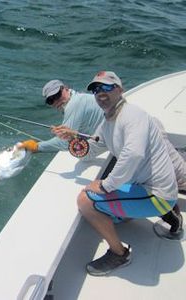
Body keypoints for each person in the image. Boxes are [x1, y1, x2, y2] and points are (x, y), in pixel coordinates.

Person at [53, 71, 182, 276]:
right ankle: (170, 215)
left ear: (120, 90)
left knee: (86, 201)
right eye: (96, 89)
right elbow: (91, 151)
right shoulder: (107, 123)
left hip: (158, 195)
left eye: (106, 87)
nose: (100, 93)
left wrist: (105, 185)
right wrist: (73, 137)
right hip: (153, 189)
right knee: (108, 209)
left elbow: (133, 155)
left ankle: (119, 253)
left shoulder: (132, 115)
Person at [17, 79, 104, 153]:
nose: (56, 101)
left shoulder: (73, 104)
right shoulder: (78, 97)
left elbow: (64, 144)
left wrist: (36, 146)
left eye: (57, 95)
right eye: (51, 100)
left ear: (65, 88)